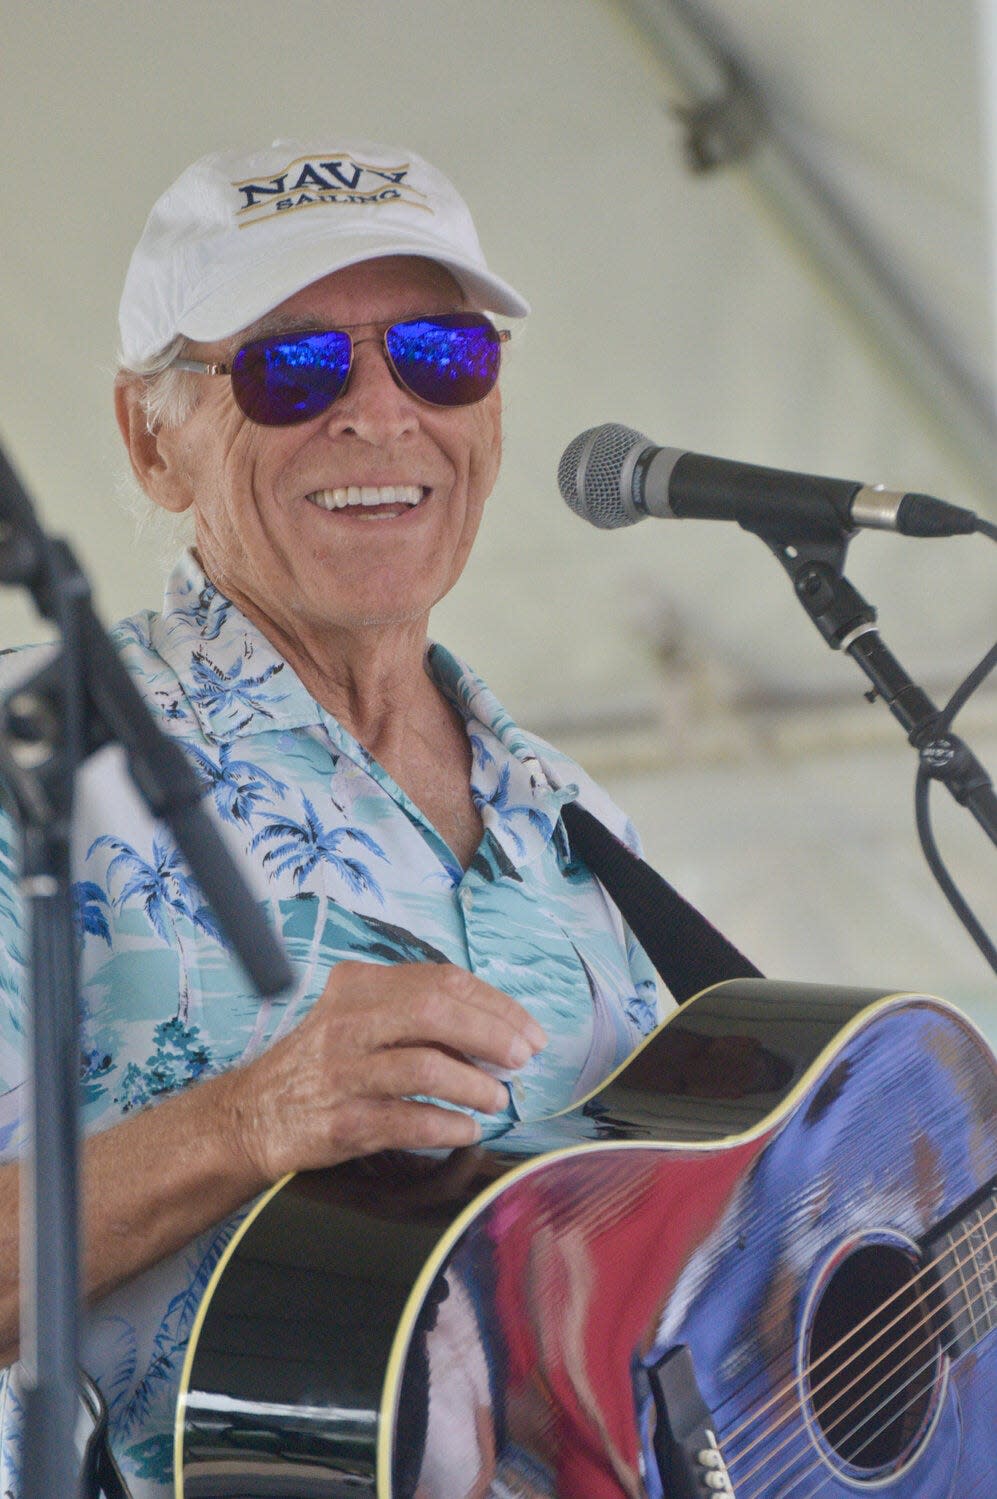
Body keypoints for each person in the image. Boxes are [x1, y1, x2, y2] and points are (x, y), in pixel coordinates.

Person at [0, 138, 662, 1496]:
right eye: (290, 368)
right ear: (151, 435)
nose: (377, 414)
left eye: (438, 355)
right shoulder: (32, 760)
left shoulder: (577, 822)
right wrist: (244, 1123)